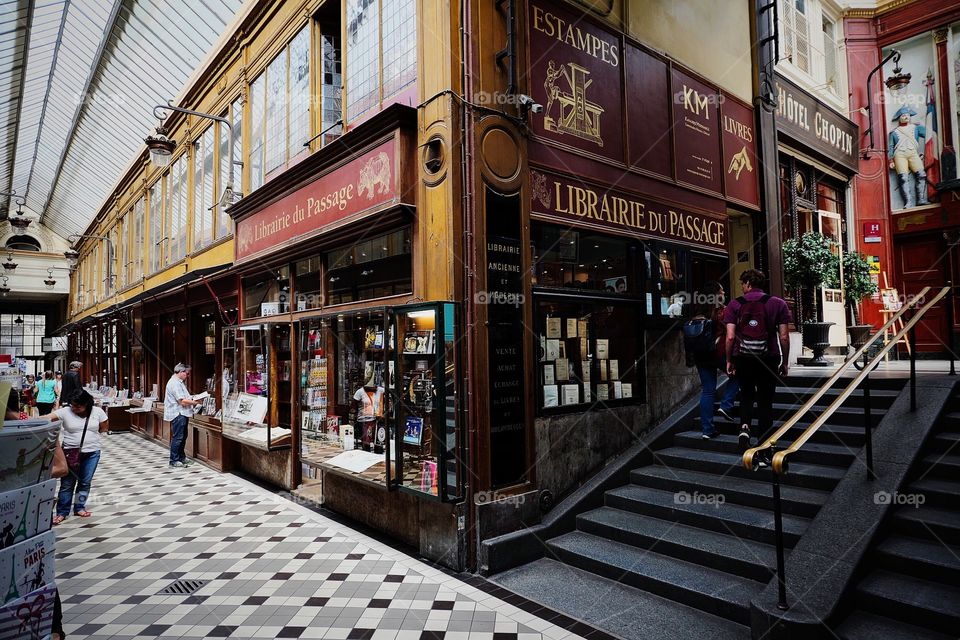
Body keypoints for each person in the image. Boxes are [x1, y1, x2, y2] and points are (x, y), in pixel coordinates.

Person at [724, 269, 791, 462]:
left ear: (747, 283)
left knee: (745, 395)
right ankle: (764, 450)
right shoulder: (778, 303)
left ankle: (745, 427)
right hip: (768, 356)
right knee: (765, 402)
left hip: (743, 357)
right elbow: (784, 337)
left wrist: (729, 360)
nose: (742, 287)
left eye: (743, 284)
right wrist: (785, 362)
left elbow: (730, 337)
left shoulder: (734, 304)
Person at [43, 389, 109, 524]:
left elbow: (104, 428)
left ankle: (79, 507)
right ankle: (62, 512)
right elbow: (45, 418)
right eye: (72, 405)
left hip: (92, 452)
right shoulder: (65, 411)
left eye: (78, 406)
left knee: (85, 482)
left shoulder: (98, 412)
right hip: (70, 452)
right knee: (67, 483)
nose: (74, 408)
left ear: (87, 404)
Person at [686, 282, 740, 439]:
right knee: (739, 374)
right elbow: (731, 334)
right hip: (718, 353)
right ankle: (726, 404)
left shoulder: (697, 313)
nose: (724, 293)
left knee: (708, 391)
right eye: (722, 291)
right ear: (716, 294)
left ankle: (707, 430)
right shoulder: (723, 312)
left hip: (700, 355)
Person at [888, 105, 927, 208]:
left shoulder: (916, 128)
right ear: (899, 117)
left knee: (921, 175)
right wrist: (890, 160)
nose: (906, 117)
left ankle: (921, 199)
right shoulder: (894, 133)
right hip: (899, 155)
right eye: (903, 115)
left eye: (907, 115)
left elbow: (929, 135)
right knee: (903, 178)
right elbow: (891, 147)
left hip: (913, 153)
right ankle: (908, 202)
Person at [164, 363, 200, 468]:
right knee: (178, 437)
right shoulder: (175, 383)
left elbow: (184, 397)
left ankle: (181, 457)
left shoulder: (179, 382)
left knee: (183, 437)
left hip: (181, 413)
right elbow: (182, 402)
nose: (188, 376)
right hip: (178, 414)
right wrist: (196, 402)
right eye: (187, 374)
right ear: (181, 372)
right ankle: (173, 460)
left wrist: (193, 398)